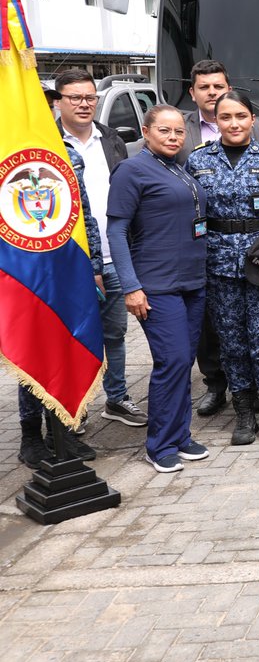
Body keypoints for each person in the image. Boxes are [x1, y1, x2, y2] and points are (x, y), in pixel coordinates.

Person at [186, 90, 259, 445]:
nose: (233, 123)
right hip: (219, 268)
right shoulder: (197, 161)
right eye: (226, 117)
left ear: (252, 119)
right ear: (215, 121)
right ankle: (244, 415)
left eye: (240, 116)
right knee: (233, 345)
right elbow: (190, 218)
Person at [107, 106, 211, 473]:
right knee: (173, 360)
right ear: (145, 131)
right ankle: (160, 444)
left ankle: (180, 435)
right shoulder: (131, 170)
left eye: (179, 131)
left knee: (184, 361)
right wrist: (131, 287)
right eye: (164, 130)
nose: (173, 137)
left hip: (193, 281)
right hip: (156, 284)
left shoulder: (178, 167)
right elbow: (116, 231)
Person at [52, 70, 143, 432]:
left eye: (90, 97)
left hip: (114, 255)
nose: (84, 104)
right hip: (71, 262)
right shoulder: (48, 144)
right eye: (75, 97)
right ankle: (76, 407)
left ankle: (117, 398)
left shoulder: (110, 138)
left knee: (115, 334)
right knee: (74, 338)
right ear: (58, 102)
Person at [182, 59, 259, 420]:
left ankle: (256, 390)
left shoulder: (256, 127)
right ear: (193, 92)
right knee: (212, 325)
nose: (212, 92)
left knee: (254, 326)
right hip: (210, 247)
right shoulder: (182, 130)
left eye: (218, 86)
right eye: (204, 87)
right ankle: (216, 386)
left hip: (254, 248)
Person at [17, 145, 105, 466]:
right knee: (31, 350)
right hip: (21, 271)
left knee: (65, 347)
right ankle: (30, 435)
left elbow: (83, 213)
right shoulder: (9, 149)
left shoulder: (66, 155)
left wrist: (94, 266)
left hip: (66, 266)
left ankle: (61, 429)